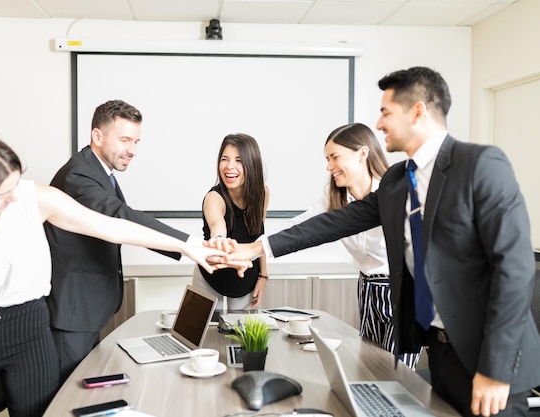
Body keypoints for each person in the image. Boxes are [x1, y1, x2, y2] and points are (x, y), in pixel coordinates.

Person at [226, 67, 540, 417]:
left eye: (386, 112)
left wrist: (494, 369)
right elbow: (333, 222)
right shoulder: (395, 180)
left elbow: (514, 270)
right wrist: (254, 249)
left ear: (417, 111)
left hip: (489, 357)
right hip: (439, 350)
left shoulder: (479, 164)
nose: (378, 124)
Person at [0, 130, 230, 417]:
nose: (14, 197)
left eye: (15, 185)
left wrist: (190, 248)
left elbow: (111, 226)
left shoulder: (32, 198)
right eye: (2, 193)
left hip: (28, 327)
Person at [44, 100, 244, 381]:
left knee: (82, 386)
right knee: (65, 393)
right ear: (97, 136)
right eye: (125, 140)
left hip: (84, 310)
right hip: (72, 311)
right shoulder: (79, 175)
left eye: (136, 141)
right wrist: (190, 245)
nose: (133, 151)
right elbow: (121, 216)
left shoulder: (99, 172)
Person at [290, 122, 421, 369]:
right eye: (327, 158)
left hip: (403, 291)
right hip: (368, 289)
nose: (329, 167)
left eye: (334, 157)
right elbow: (299, 228)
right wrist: (249, 248)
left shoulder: (395, 192)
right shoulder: (335, 196)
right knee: (370, 368)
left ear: (362, 153)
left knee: (401, 376)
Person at [192, 133, 269, 310]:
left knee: (243, 335)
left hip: (246, 279)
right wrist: (219, 240)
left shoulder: (262, 193)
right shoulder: (214, 197)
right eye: (224, 159)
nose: (229, 167)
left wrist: (263, 276)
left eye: (239, 160)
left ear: (252, 163)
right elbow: (217, 225)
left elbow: (260, 235)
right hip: (209, 277)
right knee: (202, 334)